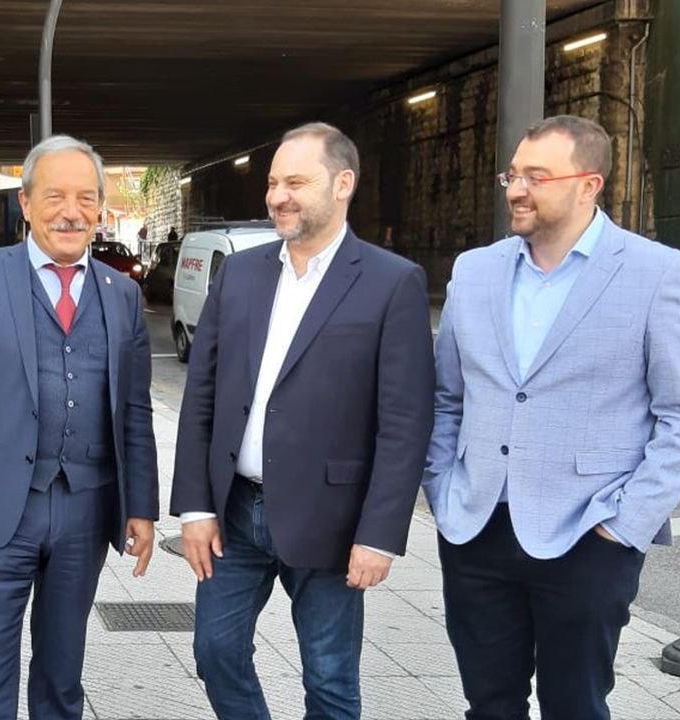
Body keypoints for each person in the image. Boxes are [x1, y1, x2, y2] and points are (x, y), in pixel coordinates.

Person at [424, 115, 680, 719]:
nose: (515, 189)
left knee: (575, 706)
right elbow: (445, 398)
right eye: (512, 174)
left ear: (589, 185)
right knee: (488, 704)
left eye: (537, 176)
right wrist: (442, 488)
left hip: (588, 535)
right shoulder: (474, 271)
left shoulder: (657, 273)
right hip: (476, 528)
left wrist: (623, 527)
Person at [170, 122, 435, 719]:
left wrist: (379, 534)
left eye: (296, 181)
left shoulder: (392, 282)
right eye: (272, 182)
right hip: (234, 513)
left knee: (331, 678)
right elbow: (203, 395)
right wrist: (195, 506)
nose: (278, 195)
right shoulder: (239, 273)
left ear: (343, 184)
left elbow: (404, 422)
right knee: (215, 652)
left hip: (333, 520)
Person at [0, 135, 158, 720]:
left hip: (86, 507)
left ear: (101, 209)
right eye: (54, 196)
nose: (71, 211)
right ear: (26, 204)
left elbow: (134, 409)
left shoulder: (123, 294)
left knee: (61, 680)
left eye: (86, 198)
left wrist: (143, 507)